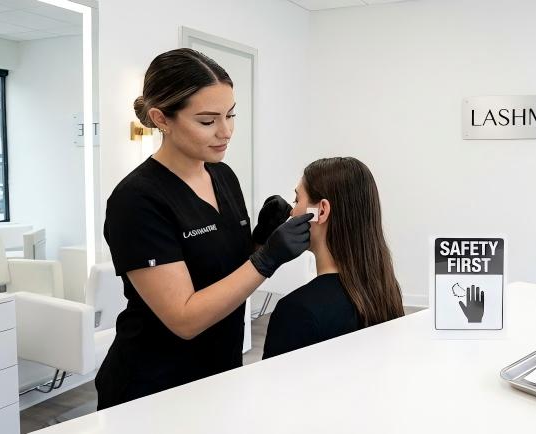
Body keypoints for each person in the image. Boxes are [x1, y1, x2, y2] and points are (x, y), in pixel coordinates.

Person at [97, 48, 311, 409]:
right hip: (154, 386)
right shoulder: (137, 200)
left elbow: (225, 269)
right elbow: (183, 318)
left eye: (230, 115)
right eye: (208, 121)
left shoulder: (222, 175)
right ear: (161, 118)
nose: (225, 132)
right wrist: (268, 259)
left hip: (220, 369)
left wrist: (262, 239)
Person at [262, 157, 404, 358]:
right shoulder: (385, 291)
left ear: (321, 211)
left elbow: (273, 388)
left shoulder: (296, 311)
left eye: (297, 200)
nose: (292, 211)